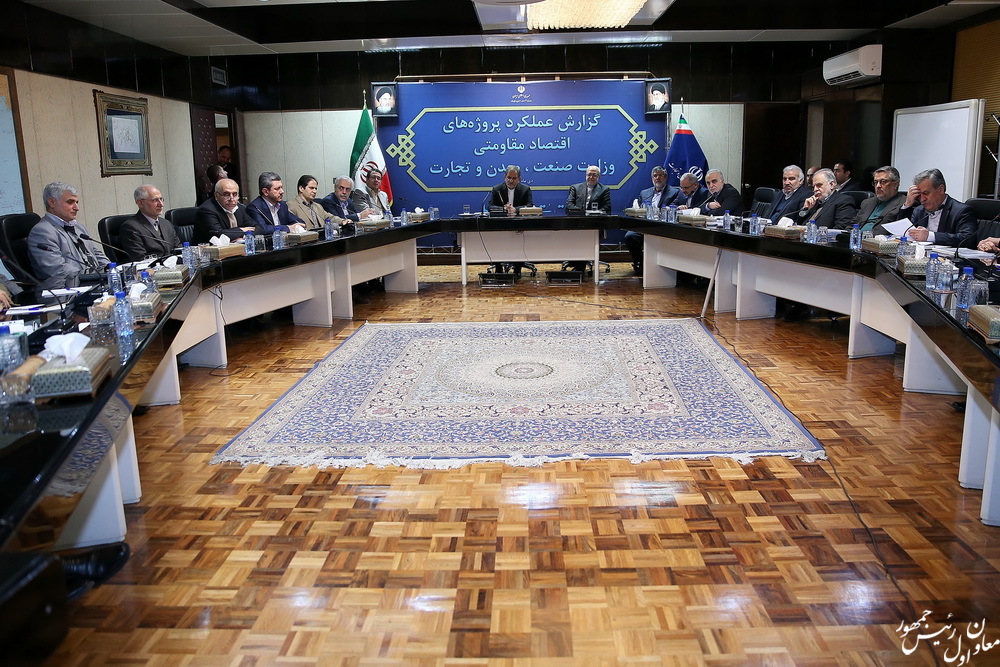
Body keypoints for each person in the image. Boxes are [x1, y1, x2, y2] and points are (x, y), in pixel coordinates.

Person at [28, 182, 110, 286]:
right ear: (52, 202)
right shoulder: (42, 231)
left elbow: (97, 254)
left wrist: (111, 270)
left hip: (94, 282)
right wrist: (94, 277)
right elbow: (57, 269)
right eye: (70, 202)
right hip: (65, 289)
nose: (77, 208)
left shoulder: (80, 228)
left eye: (77, 202)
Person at [896, 168, 977, 248]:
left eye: (926, 193)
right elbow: (903, 233)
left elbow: (968, 240)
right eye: (919, 195)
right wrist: (908, 204)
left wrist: (930, 236)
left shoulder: (961, 210)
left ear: (941, 189)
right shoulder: (919, 211)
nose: (922, 199)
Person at [624, 166, 681, 272]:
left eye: (660, 175)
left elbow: (673, 209)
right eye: (655, 176)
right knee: (629, 236)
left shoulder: (674, 192)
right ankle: (640, 263)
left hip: (662, 227)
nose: (657, 178)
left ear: (666, 177)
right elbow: (639, 209)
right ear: (652, 178)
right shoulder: (644, 193)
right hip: (644, 226)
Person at [119, 184, 181, 261]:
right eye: (155, 200)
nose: (161, 204)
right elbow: (140, 259)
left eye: (161, 199)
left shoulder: (166, 223)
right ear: (141, 203)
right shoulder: (130, 227)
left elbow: (179, 250)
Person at [194, 178, 253, 243]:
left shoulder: (240, 208)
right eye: (226, 194)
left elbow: (258, 228)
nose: (231, 199)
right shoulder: (206, 210)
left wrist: (243, 237)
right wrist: (242, 230)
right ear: (216, 195)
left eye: (234, 194)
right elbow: (218, 234)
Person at [850, 166, 906, 234]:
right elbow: (852, 225)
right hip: (857, 238)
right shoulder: (867, 203)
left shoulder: (904, 204)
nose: (878, 186)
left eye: (883, 181)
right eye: (876, 182)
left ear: (895, 184)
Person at [245, 171, 305, 236]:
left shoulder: (282, 205)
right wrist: (287, 228)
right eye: (277, 189)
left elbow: (299, 222)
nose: (282, 191)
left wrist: (296, 226)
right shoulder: (254, 207)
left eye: (281, 187)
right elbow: (262, 229)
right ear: (265, 192)